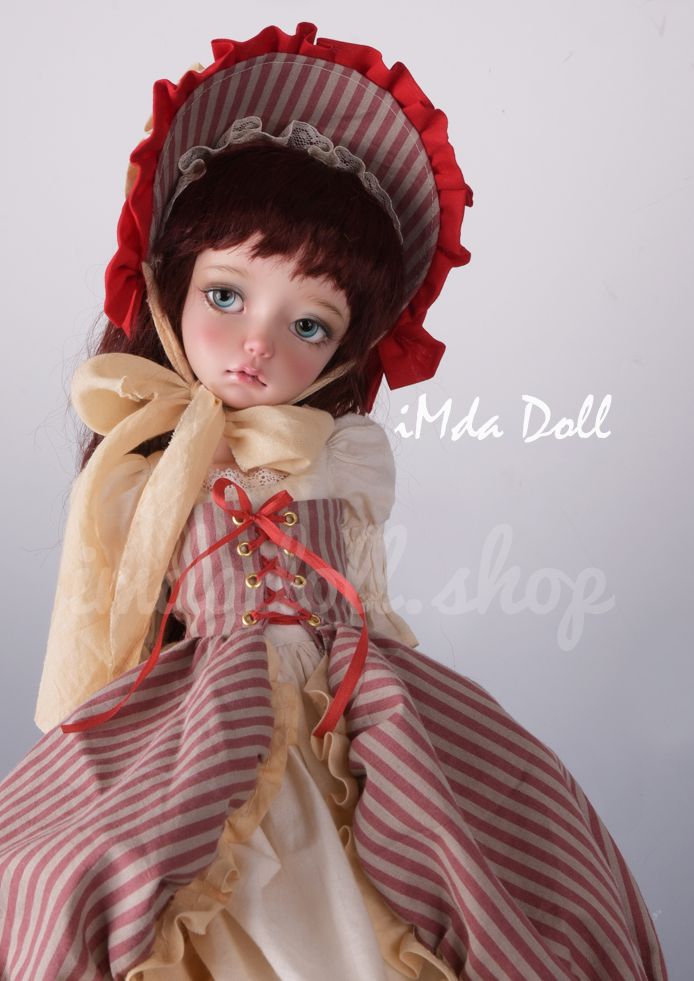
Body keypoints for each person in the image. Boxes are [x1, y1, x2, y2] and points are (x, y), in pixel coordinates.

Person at [0, 23, 667, 981]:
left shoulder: (336, 456)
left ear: (347, 352)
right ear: (168, 283)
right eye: (226, 295)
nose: (258, 343)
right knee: (88, 874)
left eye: (307, 323)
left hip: (352, 692)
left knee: (486, 852)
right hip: (201, 711)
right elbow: (116, 609)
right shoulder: (151, 454)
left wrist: (388, 695)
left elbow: (366, 596)